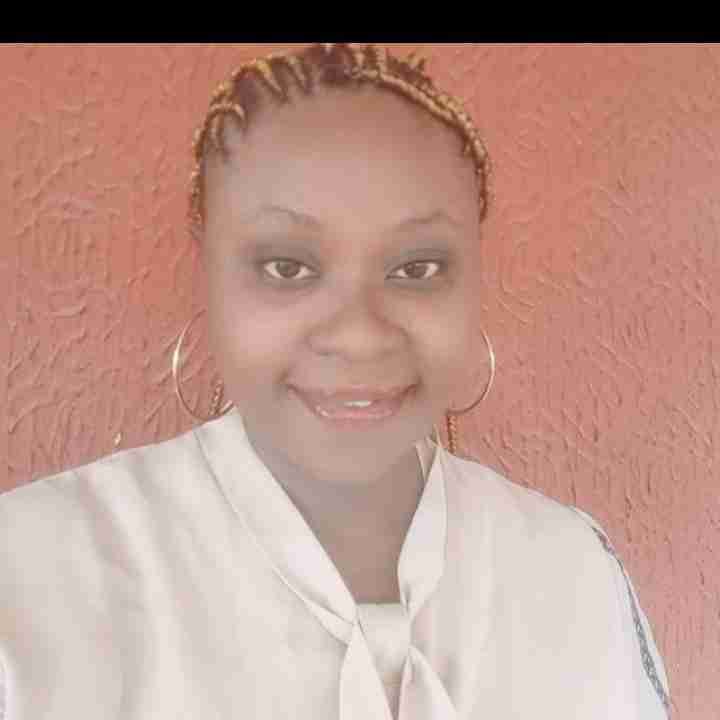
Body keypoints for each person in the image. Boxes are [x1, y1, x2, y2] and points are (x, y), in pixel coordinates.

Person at [0, 43, 671, 719]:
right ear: (208, 275)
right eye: (288, 267)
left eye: (416, 268)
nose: (357, 335)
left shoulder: (575, 573)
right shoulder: (31, 576)